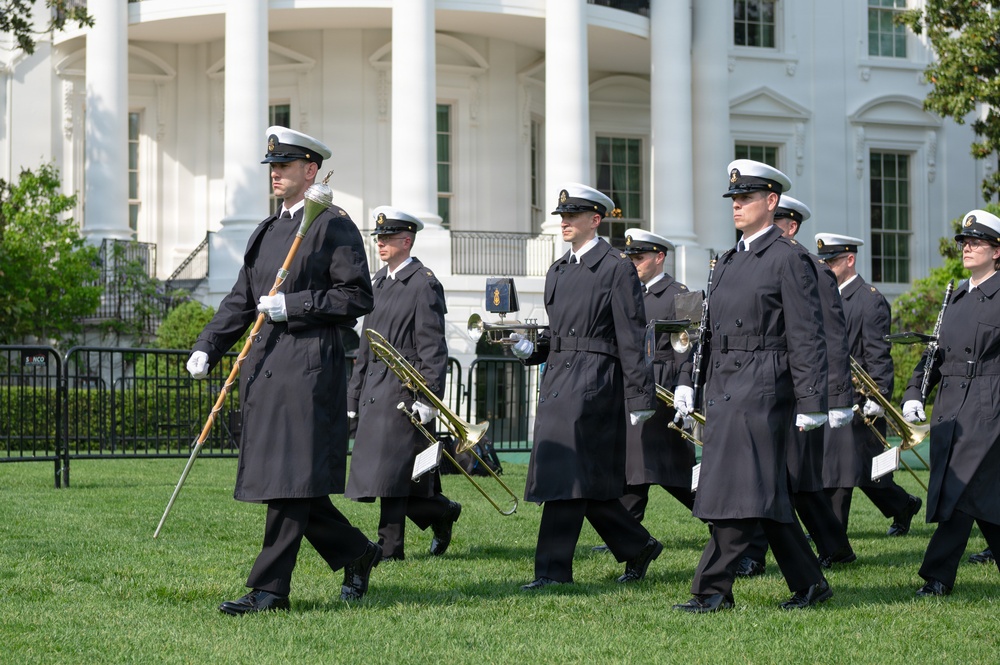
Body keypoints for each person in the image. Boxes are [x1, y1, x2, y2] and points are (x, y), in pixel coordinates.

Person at [186, 126, 380, 615]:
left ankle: (270, 590)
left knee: (289, 482)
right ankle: (357, 553)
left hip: (308, 373)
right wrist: (208, 346)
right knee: (289, 482)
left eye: (285, 166)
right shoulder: (267, 230)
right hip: (266, 369)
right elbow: (240, 300)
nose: (275, 173)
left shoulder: (332, 224)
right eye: (272, 166)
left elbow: (356, 296)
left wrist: (292, 305)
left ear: (310, 171)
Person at [672, 160, 832, 613]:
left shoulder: (788, 258)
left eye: (746, 198)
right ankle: (811, 584)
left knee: (738, 492)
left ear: (771, 202)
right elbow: (707, 332)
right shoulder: (727, 260)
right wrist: (690, 382)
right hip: (726, 386)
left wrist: (810, 401)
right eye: (734, 199)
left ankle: (712, 590)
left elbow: (806, 335)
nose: (737, 205)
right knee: (764, 493)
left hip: (764, 386)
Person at [511, 183, 662, 589]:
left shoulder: (615, 266)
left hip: (595, 381)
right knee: (584, 482)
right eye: (562, 215)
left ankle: (552, 572)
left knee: (567, 475)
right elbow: (557, 335)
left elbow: (632, 335)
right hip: (560, 377)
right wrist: (531, 348)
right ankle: (638, 546)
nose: (564, 222)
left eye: (572, 215)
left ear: (595, 220)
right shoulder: (559, 269)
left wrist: (639, 395)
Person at [732, 196, 856, 578]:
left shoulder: (808, 267)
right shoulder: (757, 263)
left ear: (791, 225)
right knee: (783, 479)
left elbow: (830, 338)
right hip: (767, 387)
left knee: (784, 479)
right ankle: (831, 547)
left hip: (796, 389)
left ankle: (760, 552)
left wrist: (834, 397)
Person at [345, 206, 462, 561]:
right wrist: (353, 395)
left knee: (393, 473)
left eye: (387, 238)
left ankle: (390, 548)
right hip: (373, 390)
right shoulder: (378, 281)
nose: (380, 243)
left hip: (403, 389)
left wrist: (429, 397)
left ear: (406, 240)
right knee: (384, 472)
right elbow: (366, 344)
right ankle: (440, 511)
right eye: (378, 238)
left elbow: (432, 346)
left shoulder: (423, 282)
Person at [902, 209, 1000, 597]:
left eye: (976, 241)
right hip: (951, 406)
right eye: (964, 241)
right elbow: (934, 356)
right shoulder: (957, 296)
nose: (967, 247)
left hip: (989, 406)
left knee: (962, 488)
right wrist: (914, 393)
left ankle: (938, 576)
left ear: (997, 251)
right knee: (978, 493)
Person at [816, 233, 923, 537]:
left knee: (839, 468)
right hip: (827, 392)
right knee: (862, 468)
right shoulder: (825, 295)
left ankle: (833, 539)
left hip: (858, 397)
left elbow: (878, 353)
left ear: (850, 260)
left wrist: (878, 394)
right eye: (824, 261)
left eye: (833, 261)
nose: (827, 266)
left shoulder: (869, 299)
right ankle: (903, 505)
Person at [618, 229, 697, 520]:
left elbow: (689, 345)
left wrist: (685, 384)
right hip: (635, 386)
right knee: (633, 464)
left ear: (659, 257)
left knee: (672, 469)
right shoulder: (630, 293)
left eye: (639, 257)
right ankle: (628, 531)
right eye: (631, 257)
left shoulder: (680, 294)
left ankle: (718, 519)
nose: (633, 263)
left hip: (663, 388)